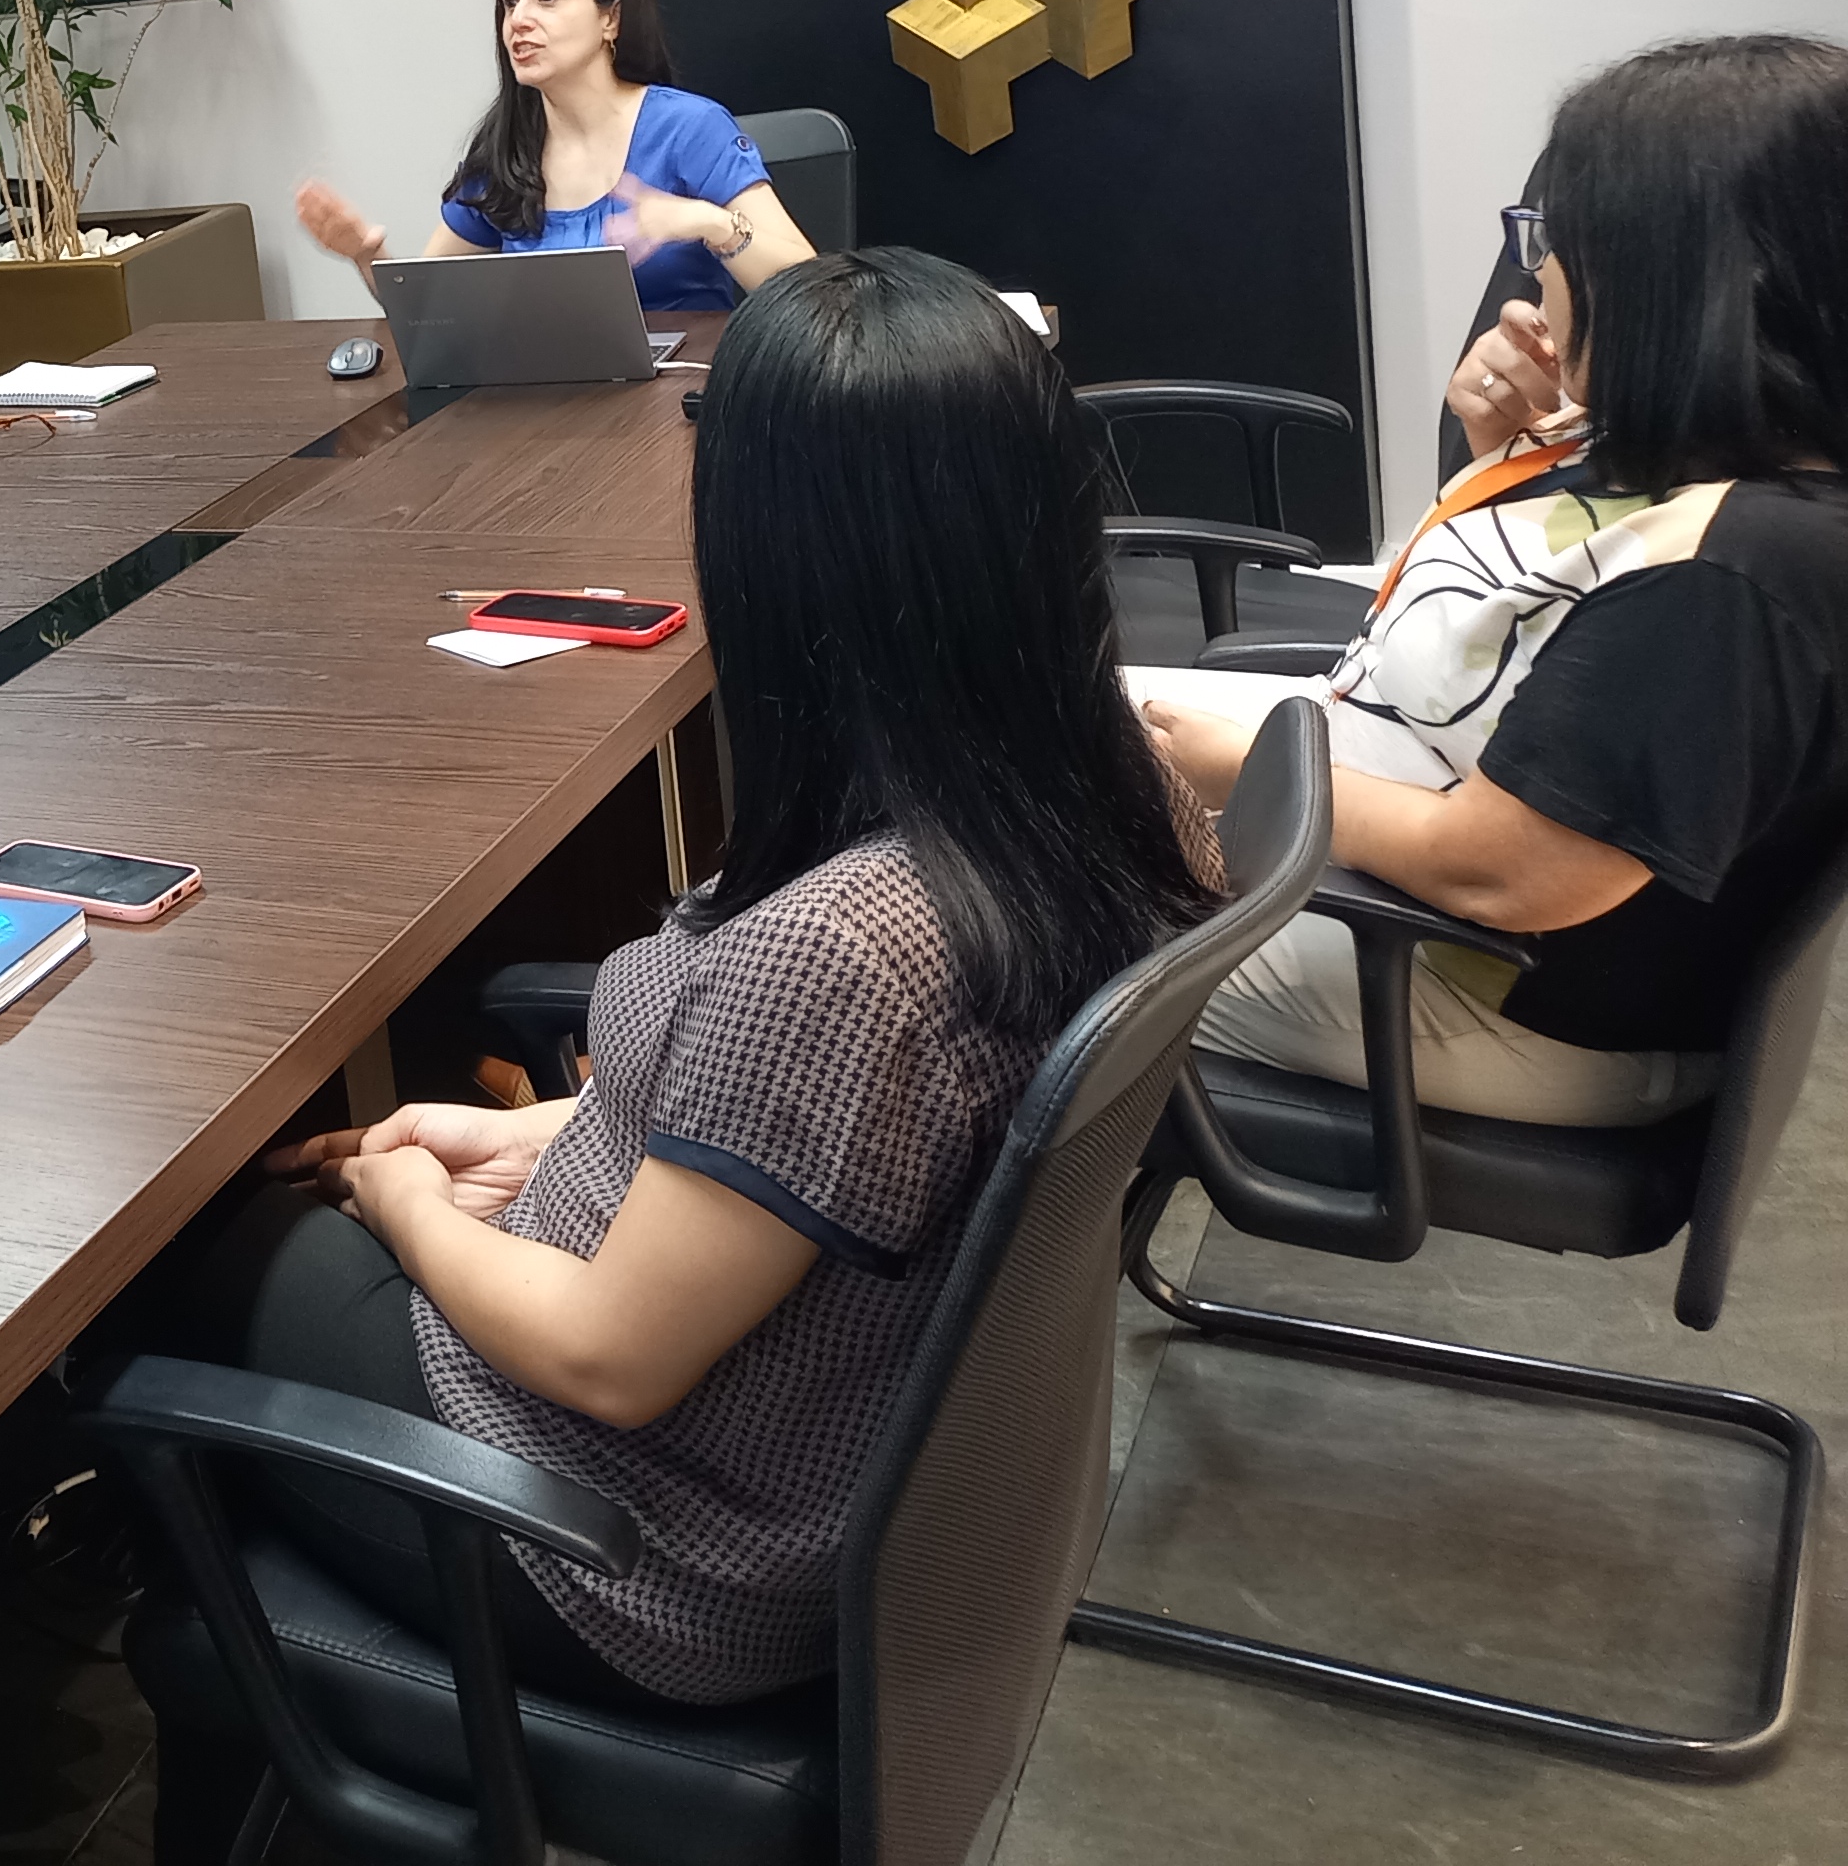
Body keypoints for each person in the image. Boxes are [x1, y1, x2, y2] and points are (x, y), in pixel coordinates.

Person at [176, 249, 1216, 1707]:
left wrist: (412, 1207)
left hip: (634, 1546)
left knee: (181, 1258)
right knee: (323, 1182)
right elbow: (867, 1145)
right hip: (796, 1454)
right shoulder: (1119, 796)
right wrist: (548, 1138)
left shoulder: (845, 955)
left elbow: (609, 1360)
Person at [1145, 35, 1848, 1127]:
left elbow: (1502, 877)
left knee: (991, 931)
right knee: (1012, 765)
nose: (1536, 276)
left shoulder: (1730, 576)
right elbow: (1490, 639)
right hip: (1418, 868)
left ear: (1679, 270)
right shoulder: (1723, 454)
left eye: (1554, 241)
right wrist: (1499, 450)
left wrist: (1243, 769)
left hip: (1475, 986)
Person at [292, 0, 812, 308]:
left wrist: (712, 224)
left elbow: (806, 288)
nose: (519, 20)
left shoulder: (689, 130)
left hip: (684, 398)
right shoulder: (505, 148)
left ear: (611, 18)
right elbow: (428, 309)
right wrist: (366, 254)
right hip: (549, 403)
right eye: (510, 1)